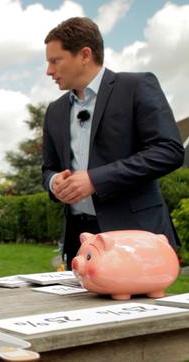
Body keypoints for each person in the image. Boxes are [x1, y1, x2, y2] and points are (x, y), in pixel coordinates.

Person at [41, 17, 184, 270]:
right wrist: (55, 183)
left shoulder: (136, 87)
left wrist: (95, 179)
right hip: (80, 243)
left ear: (85, 55)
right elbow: (48, 169)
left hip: (136, 239)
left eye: (56, 60)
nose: (49, 71)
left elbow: (169, 151)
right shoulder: (54, 111)